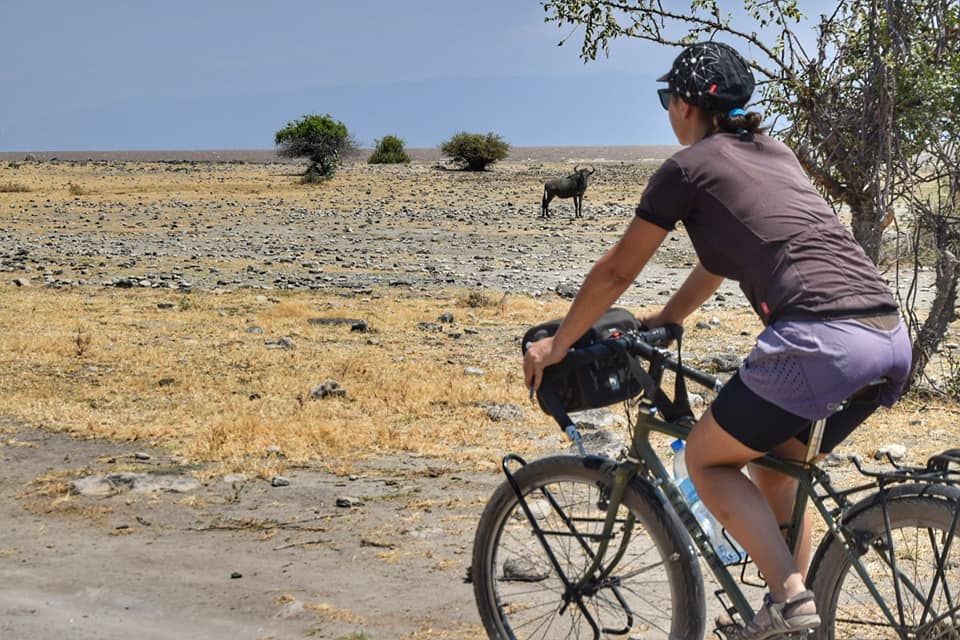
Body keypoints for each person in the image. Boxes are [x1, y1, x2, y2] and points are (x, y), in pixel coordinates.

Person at [523, 41, 912, 640]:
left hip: (819, 338)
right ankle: (793, 615)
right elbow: (723, 259)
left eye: (665, 100)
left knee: (707, 457)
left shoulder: (686, 168)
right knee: (778, 470)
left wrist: (556, 345)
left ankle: (789, 603)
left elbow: (615, 273)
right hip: (888, 336)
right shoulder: (775, 153)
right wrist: (670, 316)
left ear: (683, 105)